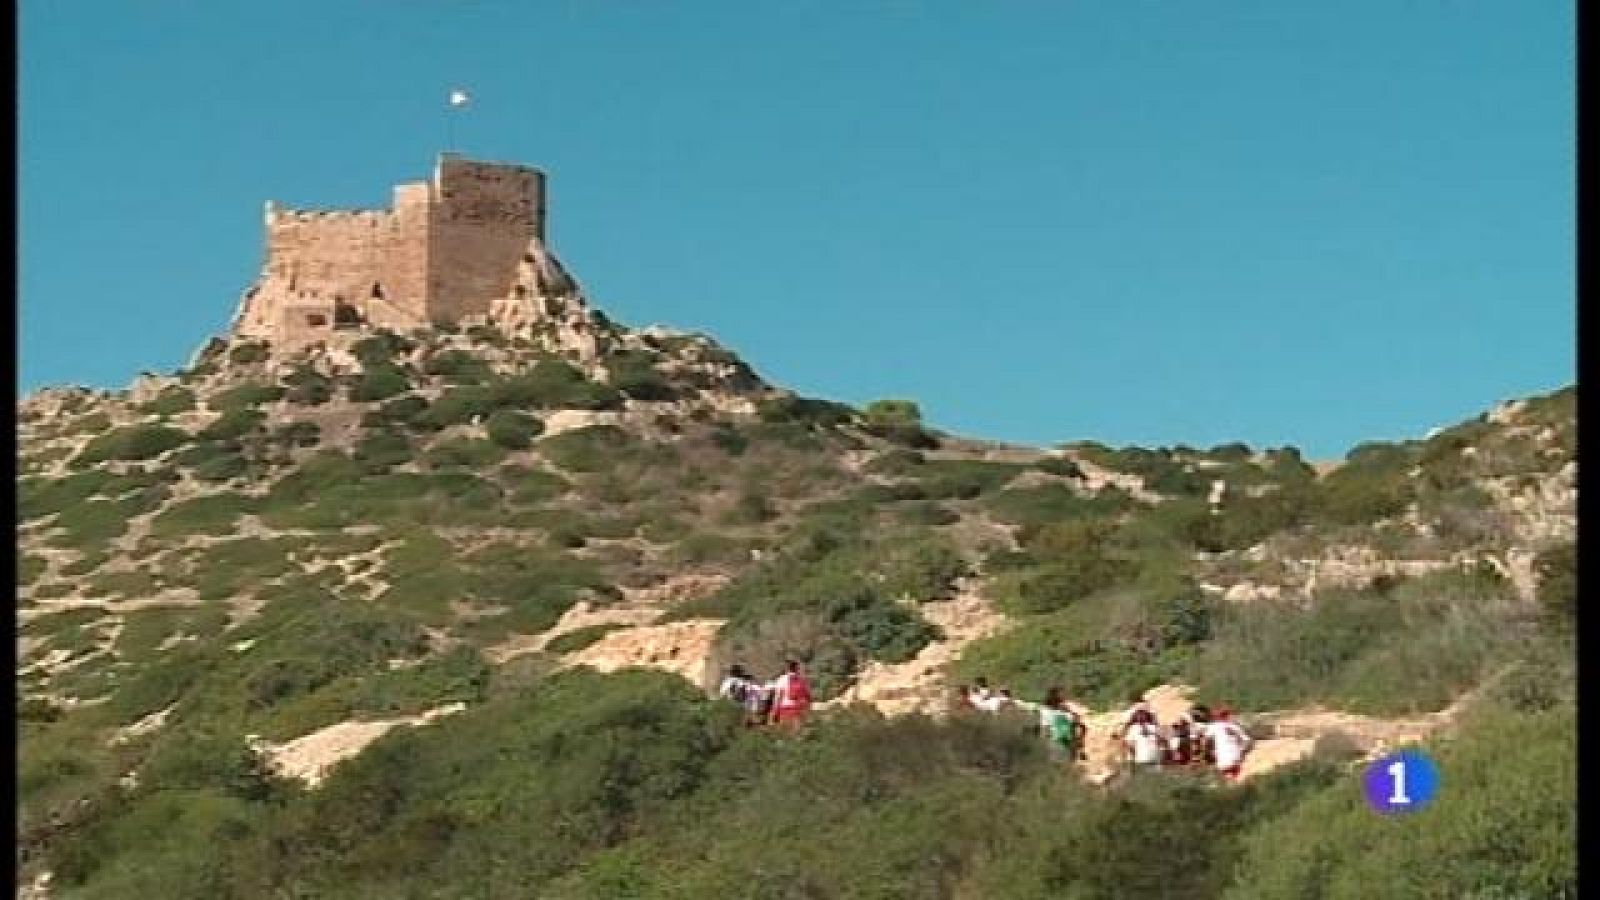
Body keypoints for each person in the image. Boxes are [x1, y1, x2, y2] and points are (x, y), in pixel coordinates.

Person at [1038, 687, 1086, 764]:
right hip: (1063, 740)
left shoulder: (1046, 710)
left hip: (1059, 740)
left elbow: (1044, 728)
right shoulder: (1059, 710)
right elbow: (1078, 724)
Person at [1203, 706, 1253, 782]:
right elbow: (1248, 741)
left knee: (1226, 778)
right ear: (1226, 715)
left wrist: (1210, 753)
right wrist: (1242, 752)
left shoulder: (1213, 727)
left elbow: (1205, 741)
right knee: (1234, 777)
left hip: (1222, 759)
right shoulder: (1234, 726)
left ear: (1215, 717)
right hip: (1236, 758)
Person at [768, 659, 813, 731]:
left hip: (785, 710)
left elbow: (778, 697)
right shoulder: (802, 680)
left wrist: (774, 712)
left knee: (786, 734)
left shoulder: (782, 679)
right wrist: (808, 710)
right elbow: (809, 697)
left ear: (787, 668)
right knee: (798, 733)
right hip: (799, 709)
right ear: (797, 668)